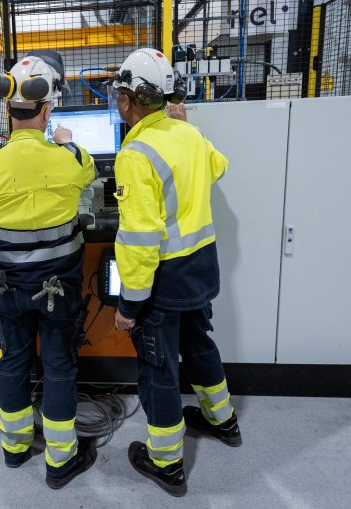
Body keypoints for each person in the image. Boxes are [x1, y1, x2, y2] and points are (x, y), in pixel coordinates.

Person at [0, 50, 97, 489]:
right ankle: (61, 461)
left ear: (8, 107)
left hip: (7, 291)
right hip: (59, 289)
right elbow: (90, 178)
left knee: (14, 362)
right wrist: (67, 141)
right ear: (47, 108)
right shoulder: (71, 158)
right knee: (58, 366)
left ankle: (15, 447)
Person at [111, 48, 242, 497]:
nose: (116, 102)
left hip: (163, 283)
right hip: (201, 270)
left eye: (118, 94)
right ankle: (222, 420)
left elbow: (141, 241)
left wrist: (129, 305)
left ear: (129, 100)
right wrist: (186, 130)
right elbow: (218, 167)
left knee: (159, 368)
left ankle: (166, 463)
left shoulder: (135, 153)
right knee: (200, 345)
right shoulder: (187, 134)